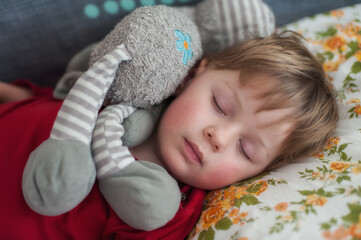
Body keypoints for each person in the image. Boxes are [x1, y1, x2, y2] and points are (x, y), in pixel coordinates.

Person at [0, 31, 338, 239]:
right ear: (192, 76)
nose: (217, 137)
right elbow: (51, 103)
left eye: (246, 150)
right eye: (220, 106)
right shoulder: (124, 96)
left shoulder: (164, 212)